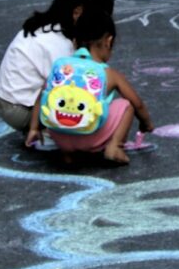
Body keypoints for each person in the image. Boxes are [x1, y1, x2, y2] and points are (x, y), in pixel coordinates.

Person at [26, 9, 154, 166]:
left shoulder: (61, 69)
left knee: (54, 100)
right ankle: (115, 147)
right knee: (126, 105)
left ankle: (68, 154)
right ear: (109, 41)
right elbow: (137, 103)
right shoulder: (109, 73)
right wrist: (146, 124)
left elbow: (41, 96)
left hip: (60, 136)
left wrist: (34, 129)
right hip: (92, 138)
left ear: (74, 41)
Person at [0, 0, 115, 133]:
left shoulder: (47, 26)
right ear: (78, 13)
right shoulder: (61, 43)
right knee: (87, 106)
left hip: (6, 102)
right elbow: (72, 86)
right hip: (20, 111)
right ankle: (52, 135)